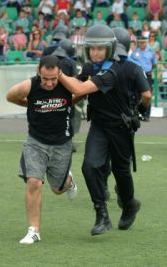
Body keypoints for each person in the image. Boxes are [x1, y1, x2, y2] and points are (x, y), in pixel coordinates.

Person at [58, 25, 151, 235]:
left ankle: (129, 205)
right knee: (90, 166)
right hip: (99, 125)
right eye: (92, 48)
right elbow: (146, 96)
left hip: (120, 128)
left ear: (110, 47)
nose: (95, 52)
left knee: (121, 172)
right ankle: (102, 214)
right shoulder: (93, 67)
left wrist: (59, 75)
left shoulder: (118, 69)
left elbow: (80, 89)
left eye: (100, 48)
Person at [6, 55, 77, 244]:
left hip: (62, 143)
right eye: (45, 78)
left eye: (53, 79)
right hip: (35, 142)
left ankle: (69, 182)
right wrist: (29, 104)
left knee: (58, 188)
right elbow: (10, 96)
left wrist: (68, 103)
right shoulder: (29, 86)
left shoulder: (68, 85)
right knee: (34, 182)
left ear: (59, 73)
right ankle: (33, 230)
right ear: (39, 72)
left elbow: (80, 93)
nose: (49, 83)